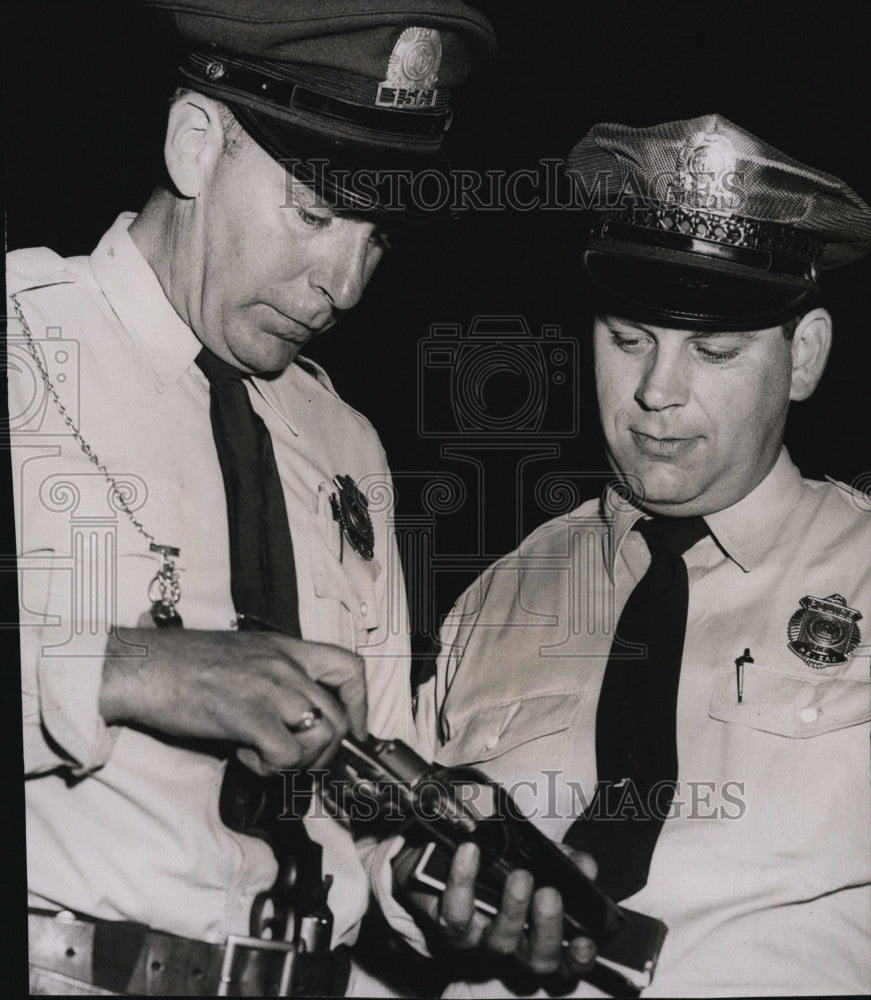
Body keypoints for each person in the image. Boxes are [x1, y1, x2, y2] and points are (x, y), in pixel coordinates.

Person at [7, 1, 497, 995]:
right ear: (195, 144)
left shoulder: (345, 445)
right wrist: (123, 669)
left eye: (376, 238)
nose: (344, 284)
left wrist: (438, 860)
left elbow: (363, 802)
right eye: (316, 213)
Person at [377, 115, 871, 996]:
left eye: (712, 350)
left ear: (803, 357)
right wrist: (418, 897)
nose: (654, 391)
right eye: (627, 338)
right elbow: (397, 853)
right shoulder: (498, 596)